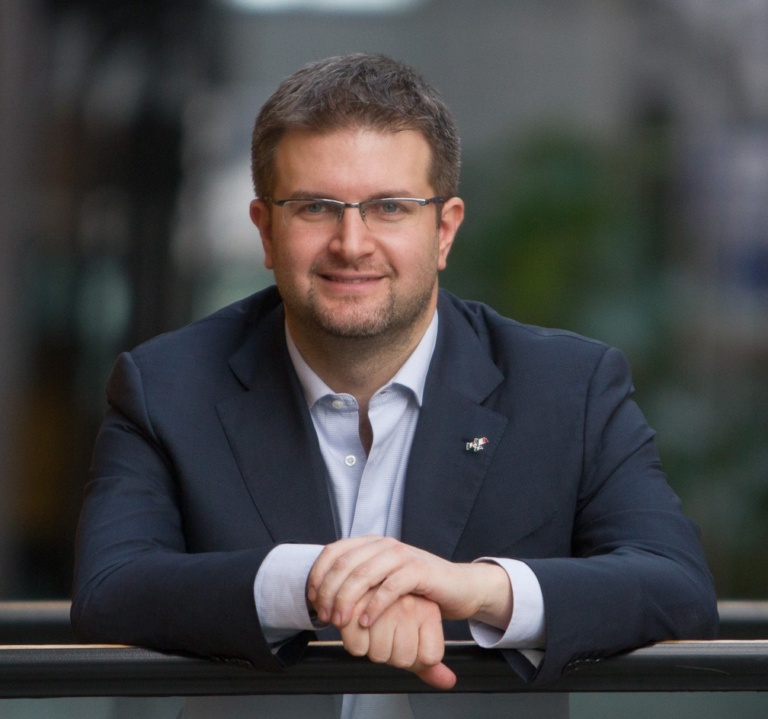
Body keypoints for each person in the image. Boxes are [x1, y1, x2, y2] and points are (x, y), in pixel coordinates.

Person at [71, 53, 718, 717]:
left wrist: (475, 589)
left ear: (444, 230)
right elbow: (109, 587)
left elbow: (677, 585)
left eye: (389, 207)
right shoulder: (165, 387)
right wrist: (315, 584)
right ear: (265, 230)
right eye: (316, 207)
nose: (352, 243)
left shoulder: (567, 388)